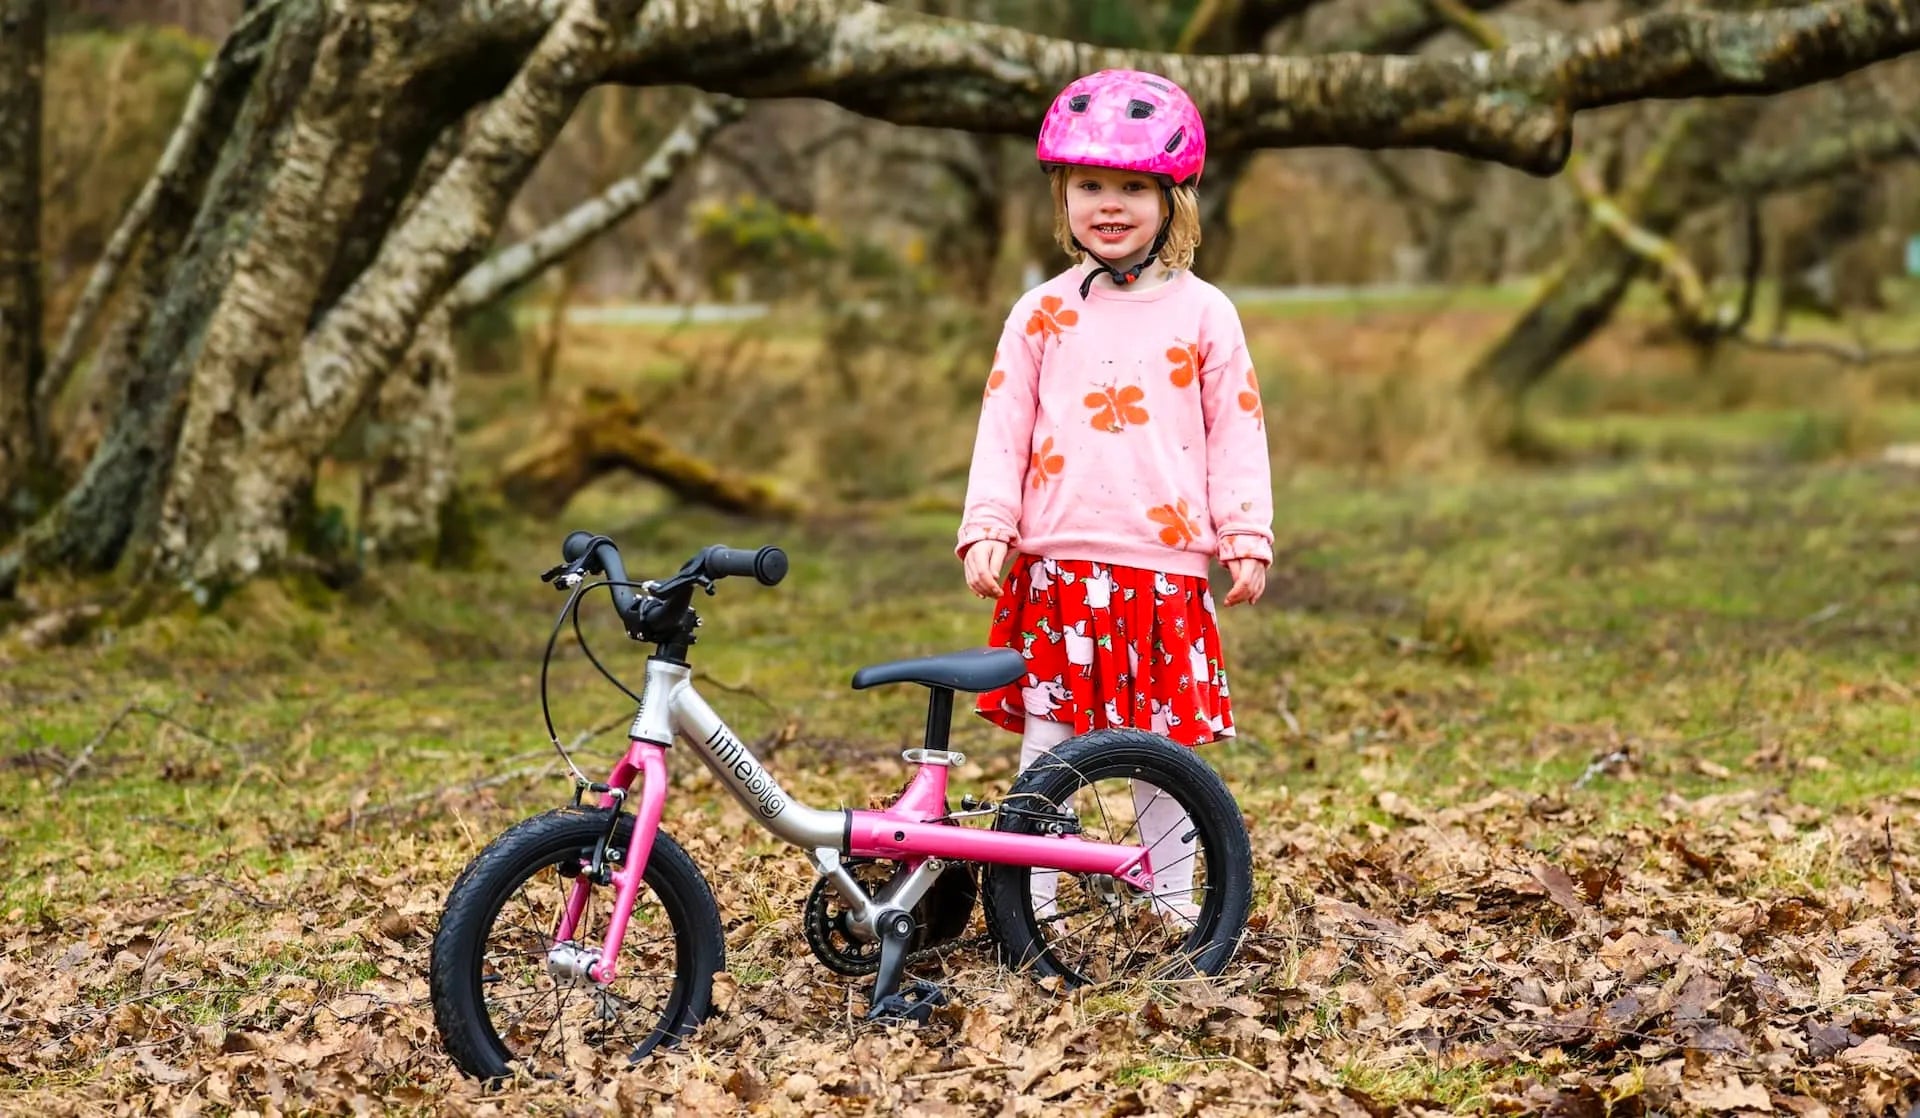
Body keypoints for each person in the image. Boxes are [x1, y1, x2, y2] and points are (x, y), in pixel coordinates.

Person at [956, 69, 1273, 925]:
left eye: (1133, 187)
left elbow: (1236, 430)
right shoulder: (1040, 314)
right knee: (1050, 749)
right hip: (1058, 567)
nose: (1110, 204)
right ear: (1063, 196)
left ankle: (1171, 908)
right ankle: (1037, 904)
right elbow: (1004, 427)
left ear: (1172, 199)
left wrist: (1245, 533)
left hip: (1162, 569)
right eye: (1090, 185)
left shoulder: (1206, 315)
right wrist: (989, 523)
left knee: (1159, 757)